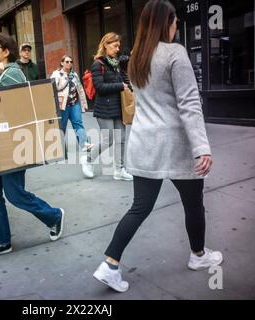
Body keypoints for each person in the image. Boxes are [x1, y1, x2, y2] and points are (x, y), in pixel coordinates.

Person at [92, 0, 222, 293]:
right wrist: (202, 146)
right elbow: (189, 103)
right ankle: (198, 255)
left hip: (144, 142)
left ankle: (109, 264)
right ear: (167, 23)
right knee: (193, 203)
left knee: (139, 207)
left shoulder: (137, 55)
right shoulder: (174, 53)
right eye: (175, 22)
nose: (177, 27)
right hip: (175, 144)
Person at [0, 33, 65, 260]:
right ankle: (1, 241)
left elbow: (15, 105)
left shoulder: (12, 73)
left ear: (6, 51)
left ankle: (54, 216)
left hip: (10, 143)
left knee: (15, 194)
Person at [80, 32, 133, 182]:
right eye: (115, 46)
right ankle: (88, 159)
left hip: (118, 107)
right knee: (108, 139)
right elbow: (99, 87)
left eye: (118, 46)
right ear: (106, 45)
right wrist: (120, 86)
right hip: (104, 108)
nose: (117, 49)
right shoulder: (98, 64)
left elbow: (124, 81)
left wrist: (128, 84)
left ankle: (119, 170)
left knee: (121, 139)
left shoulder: (116, 64)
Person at [51, 55, 94, 152]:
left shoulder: (74, 75)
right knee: (62, 126)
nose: (69, 63)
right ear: (62, 63)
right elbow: (53, 88)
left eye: (71, 61)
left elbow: (80, 89)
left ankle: (84, 144)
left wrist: (83, 103)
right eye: (67, 61)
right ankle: (58, 149)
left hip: (74, 104)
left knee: (78, 124)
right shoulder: (56, 74)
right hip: (63, 106)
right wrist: (65, 79)